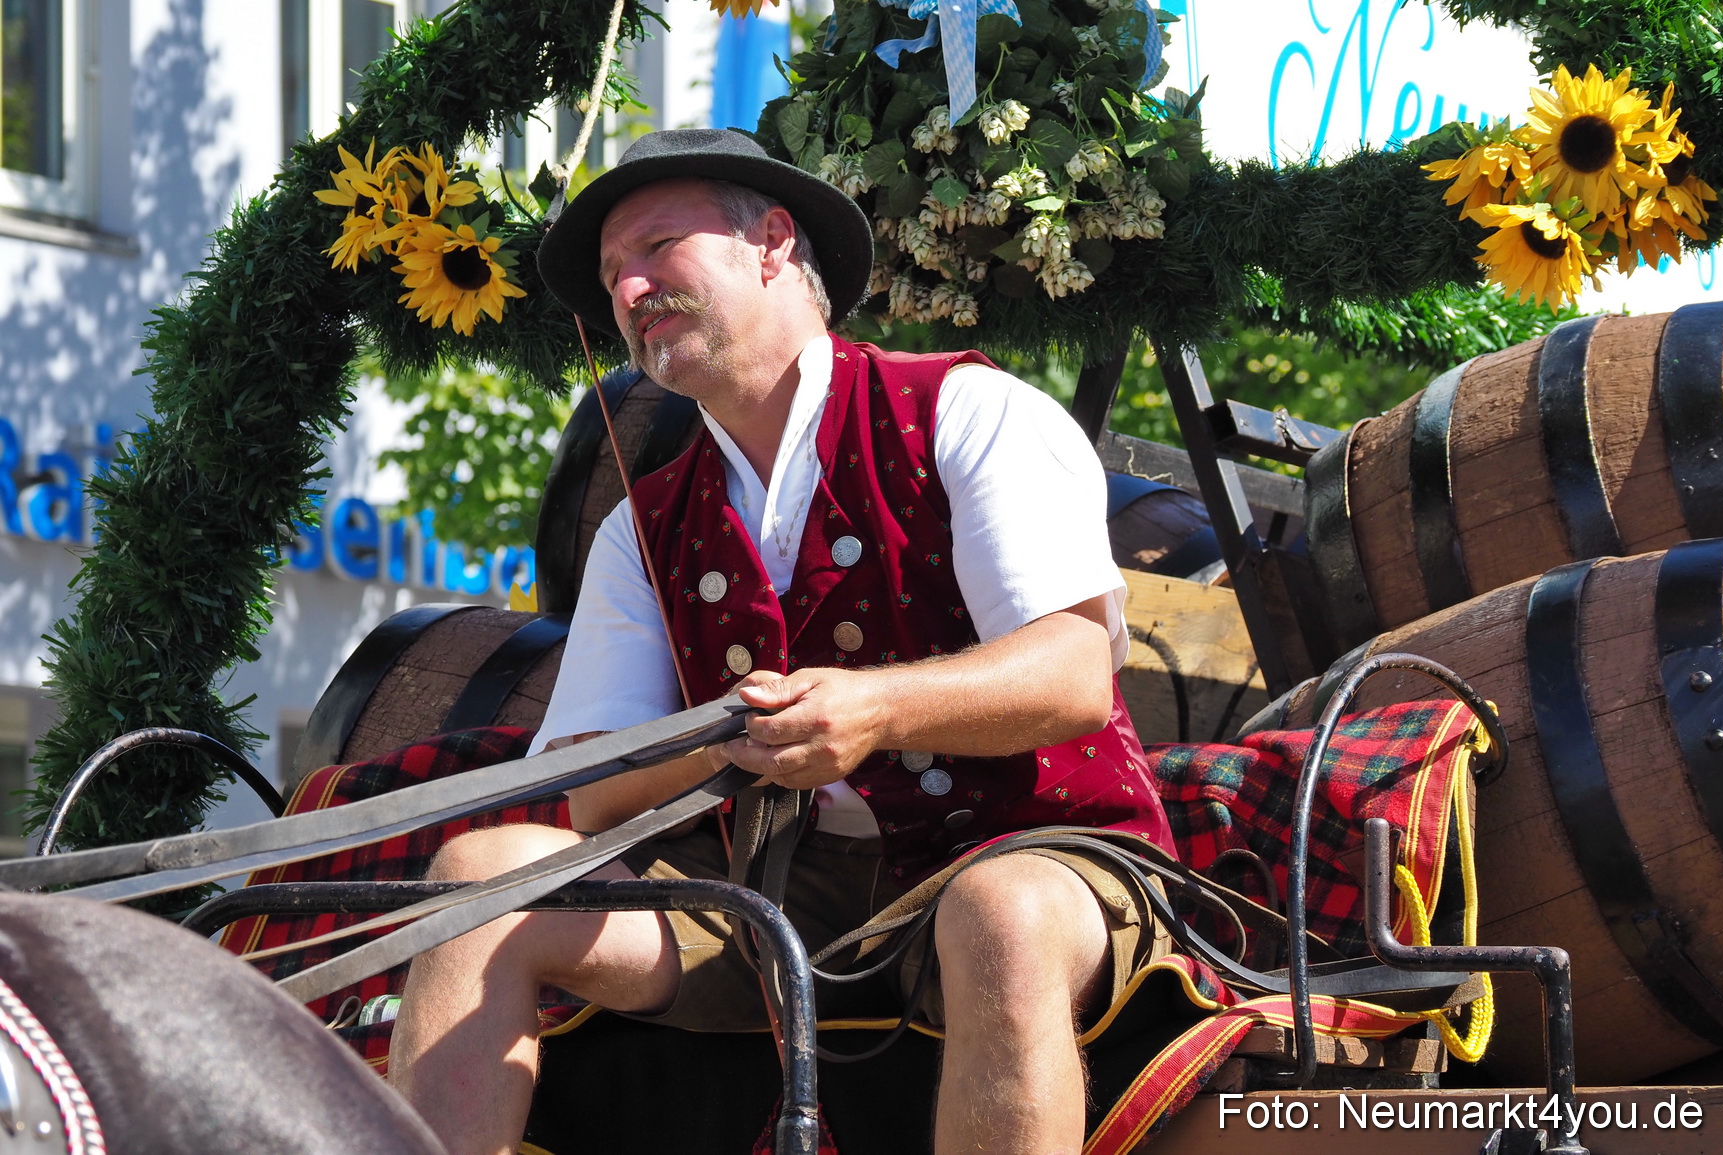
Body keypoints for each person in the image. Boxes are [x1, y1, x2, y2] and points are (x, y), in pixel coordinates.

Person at [387, 128, 1177, 1155]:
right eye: (613, 275)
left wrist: (875, 708)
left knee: (1000, 914)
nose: (628, 290)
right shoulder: (641, 524)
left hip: (1037, 851)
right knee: (481, 876)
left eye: (656, 247)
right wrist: (725, 739)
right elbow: (591, 792)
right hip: (774, 893)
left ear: (770, 241)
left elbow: (1071, 677)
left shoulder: (966, 408)